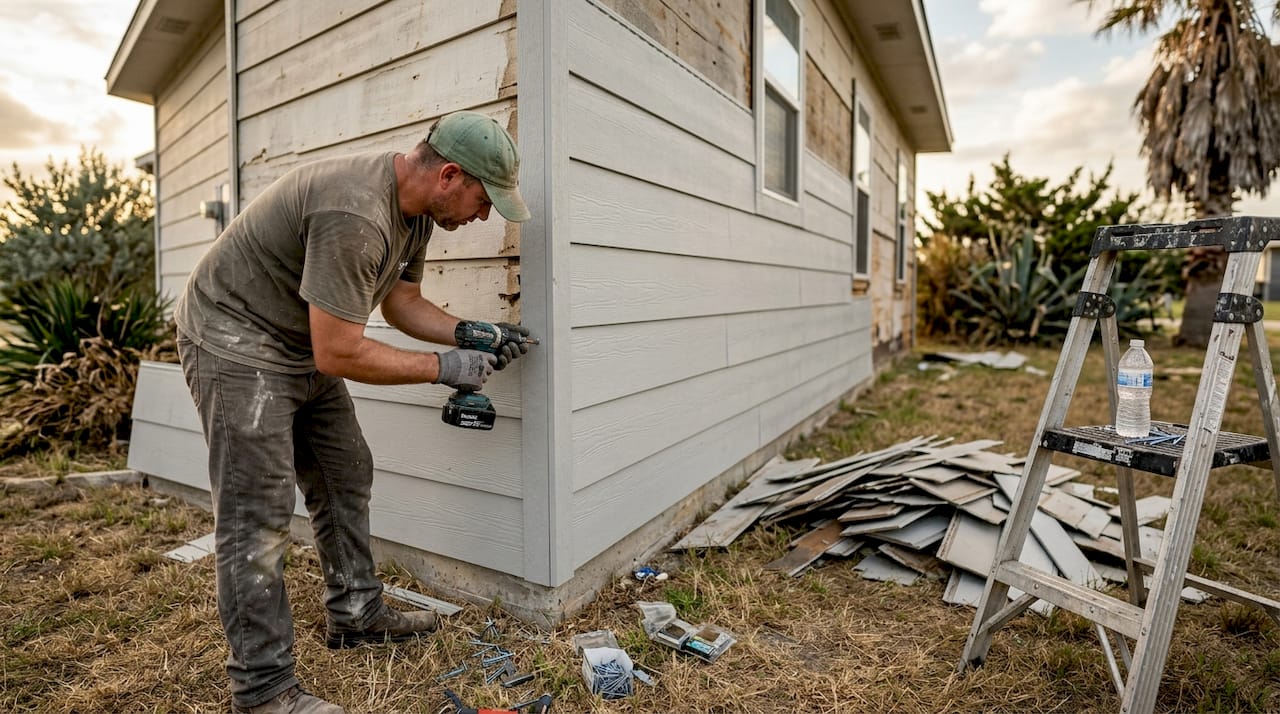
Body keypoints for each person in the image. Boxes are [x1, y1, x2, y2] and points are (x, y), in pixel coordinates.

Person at [174, 111, 533, 714]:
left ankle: (357, 614)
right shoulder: (356, 214)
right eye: (482, 199)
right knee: (255, 514)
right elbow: (338, 350)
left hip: (297, 341)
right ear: (448, 175)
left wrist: (473, 333)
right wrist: (443, 368)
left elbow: (403, 303)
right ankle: (262, 690)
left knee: (346, 470)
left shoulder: (415, 214)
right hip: (235, 341)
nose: (483, 216)